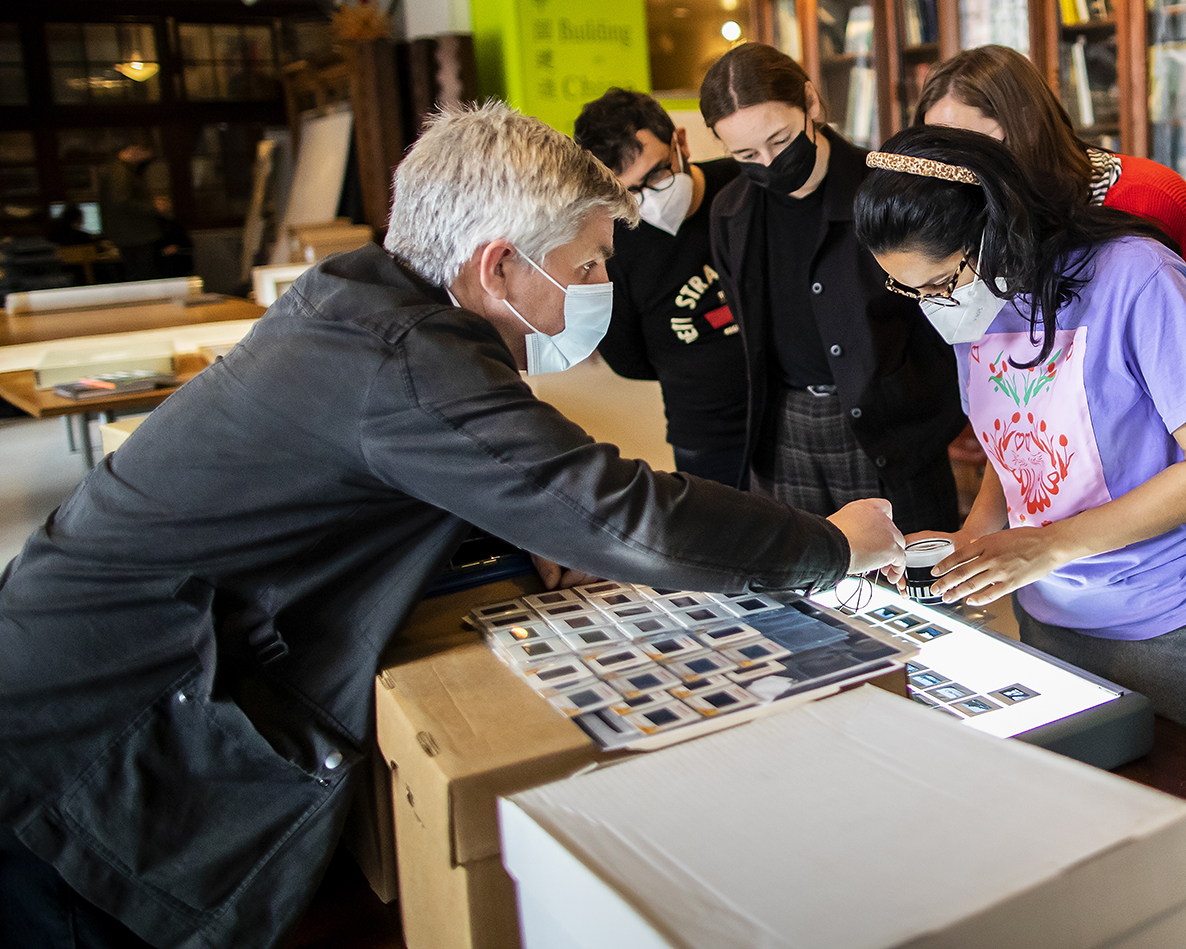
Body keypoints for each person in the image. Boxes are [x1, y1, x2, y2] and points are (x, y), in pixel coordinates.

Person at [0, 101, 904, 949]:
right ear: (496, 264)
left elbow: (395, 480)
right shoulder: (409, 358)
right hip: (92, 742)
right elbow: (622, 512)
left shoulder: (365, 301)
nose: (597, 288)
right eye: (587, 265)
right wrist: (830, 543)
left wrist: (524, 531)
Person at [853, 125, 1186, 748]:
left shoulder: (1135, 276)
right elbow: (1012, 437)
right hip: (1049, 606)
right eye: (908, 290)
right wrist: (977, 536)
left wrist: (1048, 545)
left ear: (997, 233)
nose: (932, 305)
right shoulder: (979, 300)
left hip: (1169, 607)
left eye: (937, 284)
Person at [701, 43, 963, 534]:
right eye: (745, 154)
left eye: (779, 140)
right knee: (802, 592)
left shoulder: (887, 190)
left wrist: (928, 425)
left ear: (811, 103)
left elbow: (946, 317)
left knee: (906, 589)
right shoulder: (730, 211)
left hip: (889, 429)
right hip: (783, 428)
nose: (768, 162)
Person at [915, 45, 1186, 369]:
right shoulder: (979, 209)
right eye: (938, 155)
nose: (955, 172)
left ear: (1027, 126)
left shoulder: (1151, 201)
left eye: (967, 150)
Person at [575, 88, 750, 488]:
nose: (647, 199)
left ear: (681, 142)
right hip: (706, 437)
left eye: (656, 174)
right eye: (627, 192)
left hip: (794, 417)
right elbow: (626, 355)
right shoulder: (611, 245)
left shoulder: (744, 188)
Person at [97, 142, 168, 280]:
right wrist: (152, 206)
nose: (145, 160)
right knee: (143, 275)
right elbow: (121, 201)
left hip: (130, 233)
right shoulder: (121, 171)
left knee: (139, 274)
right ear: (134, 149)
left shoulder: (118, 169)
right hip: (136, 233)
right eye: (146, 155)